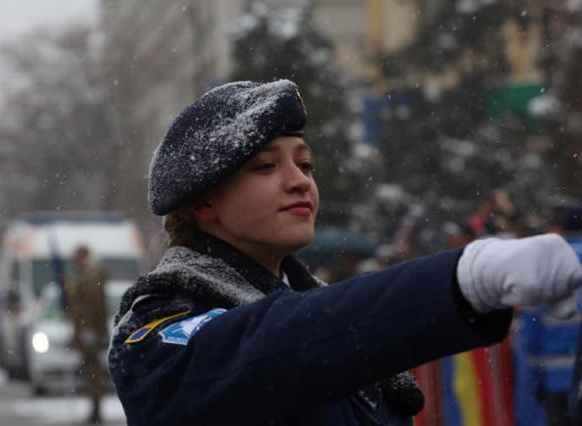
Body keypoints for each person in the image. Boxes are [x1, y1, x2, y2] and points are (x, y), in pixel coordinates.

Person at [107, 80, 582, 425]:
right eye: (266, 166)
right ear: (204, 203)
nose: (300, 180)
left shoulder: (320, 316)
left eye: (306, 163)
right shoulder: (158, 333)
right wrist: (460, 280)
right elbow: (278, 343)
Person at [66, 245, 109, 424]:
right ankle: (95, 406)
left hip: (90, 330)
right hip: (87, 329)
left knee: (93, 370)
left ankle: (96, 408)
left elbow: (91, 306)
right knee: (90, 369)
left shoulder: (91, 276)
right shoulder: (86, 274)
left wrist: (86, 330)